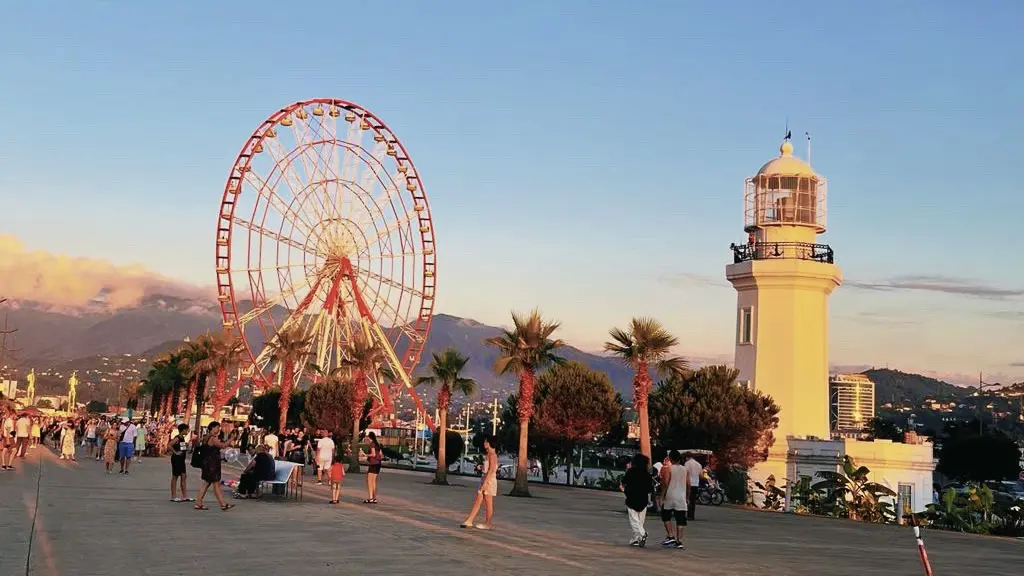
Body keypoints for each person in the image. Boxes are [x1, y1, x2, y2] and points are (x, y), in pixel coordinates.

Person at [460, 434, 498, 530]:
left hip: (489, 481)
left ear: (490, 443)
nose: (484, 443)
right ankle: (469, 520)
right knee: (478, 500)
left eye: (486, 441)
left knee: (488, 503)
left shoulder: (493, 455)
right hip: (484, 479)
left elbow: (492, 469)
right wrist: (480, 467)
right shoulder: (488, 454)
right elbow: (487, 468)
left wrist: (485, 483)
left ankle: (488, 523)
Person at [194, 420, 233, 511]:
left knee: (206, 483)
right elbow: (222, 446)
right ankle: (223, 504)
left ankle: (198, 503)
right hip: (212, 464)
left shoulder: (206, 437)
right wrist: (231, 438)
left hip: (207, 463)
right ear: (212, 428)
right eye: (217, 427)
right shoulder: (212, 438)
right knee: (215, 483)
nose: (219, 429)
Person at [620, 454, 654, 547]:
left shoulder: (631, 471)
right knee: (640, 520)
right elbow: (650, 489)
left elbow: (624, 481)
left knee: (634, 520)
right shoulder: (647, 474)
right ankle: (636, 539)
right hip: (643, 499)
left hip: (631, 497)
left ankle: (642, 534)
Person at [658, 450, 689, 549]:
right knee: (680, 519)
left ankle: (671, 535)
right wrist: (687, 497)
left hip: (670, 496)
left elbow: (665, 483)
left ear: (670, 458)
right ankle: (679, 541)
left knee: (666, 515)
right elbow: (689, 485)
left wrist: (662, 496)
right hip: (681, 497)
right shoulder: (685, 470)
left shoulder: (669, 469)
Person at [169, 424, 193, 502]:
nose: (187, 431)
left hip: (181, 460)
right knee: (175, 477)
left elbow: (182, 448)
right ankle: (173, 496)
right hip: (176, 459)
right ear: (183, 430)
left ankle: (185, 496)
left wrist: (187, 444)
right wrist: (175, 452)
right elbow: (169, 445)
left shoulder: (182, 438)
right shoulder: (177, 438)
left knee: (183, 476)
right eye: (186, 430)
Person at [364, 431, 383, 504]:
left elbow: (373, 454)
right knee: (374, 481)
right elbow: (381, 454)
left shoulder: (372, 444)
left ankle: (370, 498)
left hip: (373, 463)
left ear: (369, 437)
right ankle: (374, 498)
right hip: (378, 464)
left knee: (369, 481)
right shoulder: (378, 444)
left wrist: (366, 455)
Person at [684, 452, 703, 520]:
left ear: (687, 457)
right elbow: (701, 476)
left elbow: (685, 473)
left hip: (688, 483)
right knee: (693, 500)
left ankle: (688, 514)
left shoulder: (687, 464)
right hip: (696, 484)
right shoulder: (699, 464)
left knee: (687, 499)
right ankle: (692, 515)